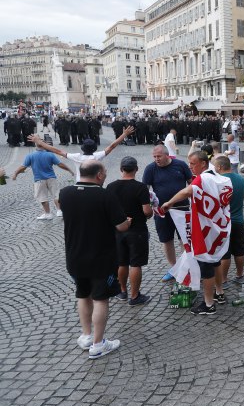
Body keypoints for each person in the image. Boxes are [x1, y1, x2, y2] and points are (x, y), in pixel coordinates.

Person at [60, 160, 131, 359]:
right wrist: (127, 221)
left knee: (82, 295)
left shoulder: (65, 193)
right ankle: (98, 344)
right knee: (101, 298)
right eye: (105, 171)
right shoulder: (105, 195)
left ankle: (86, 336)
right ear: (99, 175)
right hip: (101, 257)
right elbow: (122, 226)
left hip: (74, 256)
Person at [159, 151, 232, 315]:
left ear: (204, 164)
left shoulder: (203, 178)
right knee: (216, 261)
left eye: (193, 163)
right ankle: (219, 293)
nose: (190, 167)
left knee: (207, 266)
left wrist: (169, 203)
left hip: (206, 231)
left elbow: (186, 192)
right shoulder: (221, 179)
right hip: (218, 228)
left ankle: (208, 305)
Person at [142, 145, 194, 281]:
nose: (156, 159)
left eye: (159, 156)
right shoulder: (150, 169)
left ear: (167, 155)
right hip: (162, 211)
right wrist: (147, 206)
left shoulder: (180, 165)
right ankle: (174, 268)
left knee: (185, 239)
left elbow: (192, 183)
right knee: (166, 240)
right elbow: (144, 190)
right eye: (154, 157)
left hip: (182, 209)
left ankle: (187, 267)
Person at [107, 157, 153, 306]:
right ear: (136, 169)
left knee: (122, 262)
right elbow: (146, 211)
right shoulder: (140, 187)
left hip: (117, 231)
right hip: (137, 230)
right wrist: (151, 212)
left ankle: (122, 291)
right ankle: (134, 296)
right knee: (135, 263)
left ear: (121, 169)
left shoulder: (111, 187)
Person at [29, 126, 134, 181]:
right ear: (94, 149)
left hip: (80, 183)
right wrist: (124, 134)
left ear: (82, 148)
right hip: (95, 184)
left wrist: (39, 142)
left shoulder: (77, 157)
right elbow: (112, 146)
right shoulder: (97, 156)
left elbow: (57, 150)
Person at [11, 142, 75, 219]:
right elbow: (60, 164)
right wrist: (69, 170)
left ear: (35, 145)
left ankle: (47, 214)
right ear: (44, 146)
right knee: (56, 195)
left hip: (39, 179)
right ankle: (59, 211)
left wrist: (15, 173)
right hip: (51, 178)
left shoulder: (30, 156)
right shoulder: (50, 155)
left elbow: (23, 167)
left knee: (42, 197)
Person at [215, 155, 244, 284]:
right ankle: (240, 275)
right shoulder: (240, 179)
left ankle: (224, 279)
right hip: (238, 221)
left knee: (225, 252)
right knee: (239, 250)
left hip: (223, 222)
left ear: (219, 167)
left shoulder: (218, 181)